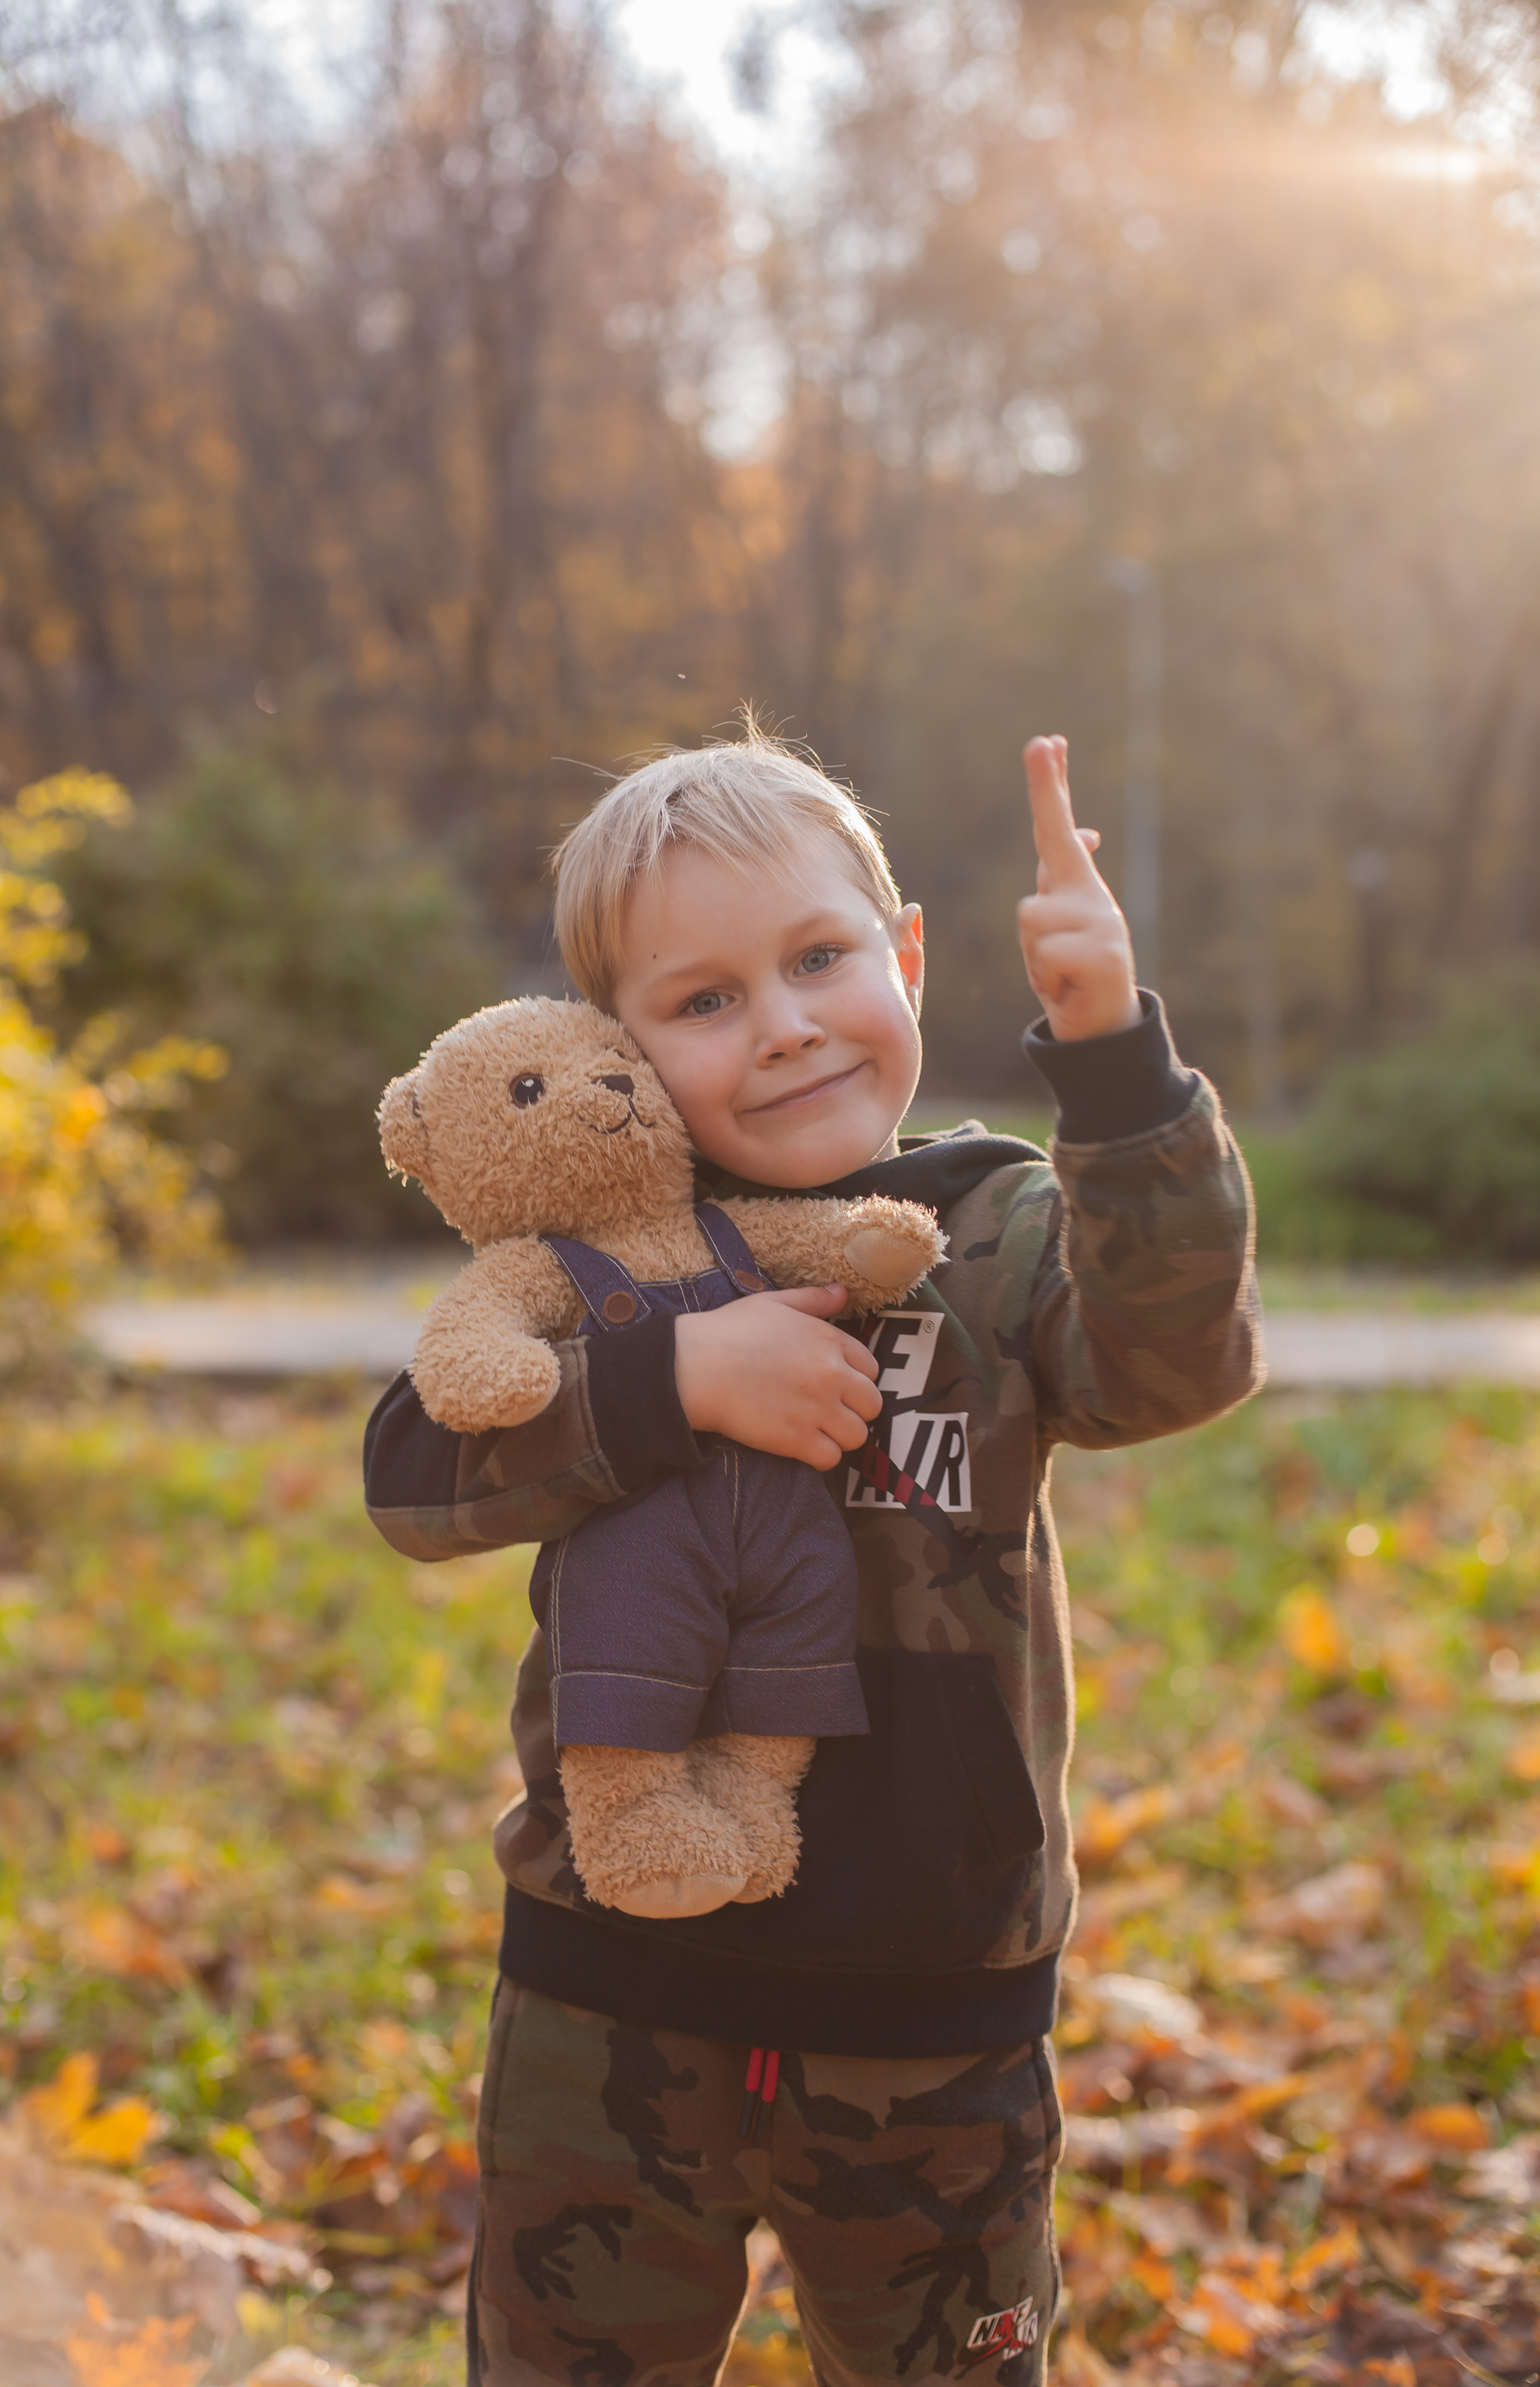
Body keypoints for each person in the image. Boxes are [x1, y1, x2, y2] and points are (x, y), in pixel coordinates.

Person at [364, 724, 1262, 2386]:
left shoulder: (996, 1236)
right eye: (702, 1001)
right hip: (608, 1998)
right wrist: (670, 1379)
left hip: (938, 2010)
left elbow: (1174, 1364)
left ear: (905, 955)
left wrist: (1117, 1066)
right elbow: (414, 1474)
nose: (781, 1028)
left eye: (821, 960)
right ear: (611, 1040)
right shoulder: (602, 1258)